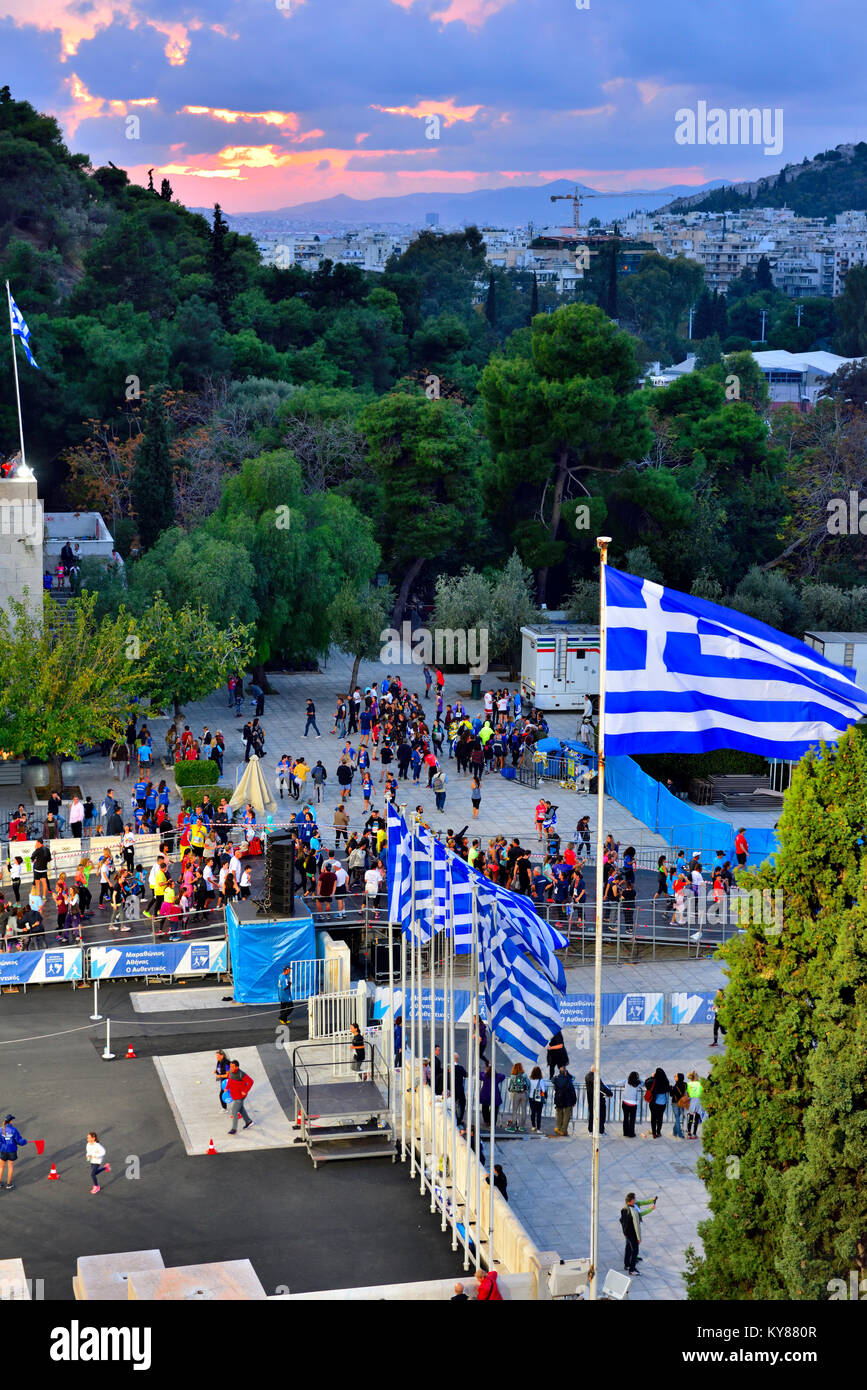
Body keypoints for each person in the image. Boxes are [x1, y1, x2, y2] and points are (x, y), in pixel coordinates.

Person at [620, 1192, 657, 1276]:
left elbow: (642, 1202)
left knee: (628, 1247)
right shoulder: (633, 1212)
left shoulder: (625, 1208)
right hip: (632, 1233)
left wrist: (652, 1200)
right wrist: (639, 1238)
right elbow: (637, 1223)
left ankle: (627, 1265)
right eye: (634, 1198)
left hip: (627, 1232)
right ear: (631, 1200)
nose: (636, 1200)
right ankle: (632, 1269)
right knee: (635, 1251)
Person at [225, 1060, 255, 1134]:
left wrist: (245, 1090)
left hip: (240, 1096)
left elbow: (251, 1081)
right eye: (230, 1066)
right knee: (241, 1109)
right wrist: (227, 1087)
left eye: (232, 1067)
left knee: (234, 1111)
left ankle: (234, 1129)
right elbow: (229, 1080)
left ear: (237, 1067)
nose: (230, 1068)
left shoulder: (242, 1074)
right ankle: (248, 1122)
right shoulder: (230, 1072)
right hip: (235, 1095)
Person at [0, 1114, 28, 1191]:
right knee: (10, 1167)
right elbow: (19, 1141)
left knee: (1, 1167)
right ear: (11, 1121)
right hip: (11, 1150)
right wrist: (25, 1142)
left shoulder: (0, 1129)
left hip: (3, 1150)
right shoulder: (14, 1130)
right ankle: (8, 1184)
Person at [585, 1064, 613, 1134]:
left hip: (592, 1099)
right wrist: (609, 1093)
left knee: (592, 1114)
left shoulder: (589, 1076)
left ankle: (592, 1130)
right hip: (597, 1099)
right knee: (601, 1115)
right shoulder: (593, 1077)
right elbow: (601, 1087)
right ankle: (599, 1130)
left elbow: (601, 1085)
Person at [552, 1065, 576, 1137]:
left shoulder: (556, 1079)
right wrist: (574, 1100)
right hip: (567, 1099)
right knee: (567, 1115)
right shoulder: (568, 1079)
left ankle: (558, 1127)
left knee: (559, 1113)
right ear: (565, 1072)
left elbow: (552, 1079)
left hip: (558, 1099)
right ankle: (563, 1130)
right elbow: (572, 1091)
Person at [646, 1066, 670, 1139]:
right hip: (662, 1103)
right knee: (660, 1118)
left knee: (653, 1118)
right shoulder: (666, 1081)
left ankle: (654, 1133)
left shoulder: (654, 1081)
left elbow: (646, 1083)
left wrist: (651, 1077)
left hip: (654, 1103)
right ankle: (658, 1132)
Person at [506, 1062, 529, 1132]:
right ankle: (522, 1127)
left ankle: (513, 1127)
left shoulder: (513, 1077)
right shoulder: (525, 1076)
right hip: (524, 1094)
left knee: (515, 1111)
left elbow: (509, 1088)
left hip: (516, 1094)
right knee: (524, 1111)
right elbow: (528, 1085)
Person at [621, 1070, 642, 1138]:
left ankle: (625, 1132)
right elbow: (643, 1083)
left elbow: (617, 1083)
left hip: (625, 1102)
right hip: (633, 1104)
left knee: (626, 1118)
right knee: (632, 1119)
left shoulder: (626, 1081)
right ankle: (631, 1133)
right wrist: (638, 1078)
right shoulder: (638, 1083)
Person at [527, 1066, 546, 1135]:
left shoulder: (530, 1079)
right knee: (538, 1113)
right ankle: (538, 1129)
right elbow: (543, 1090)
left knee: (533, 1112)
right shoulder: (541, 1080)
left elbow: (528, 1087)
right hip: (538, 1098)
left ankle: (533, 1126)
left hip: (531, 1097)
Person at [686, 1070, 704, 1139]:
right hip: (698, 1102)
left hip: (691, 1102)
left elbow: (688, 1094)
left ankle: (689, 1133)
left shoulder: (689, 1084)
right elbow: (702, 1093)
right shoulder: (700, 1084)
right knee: (696, 1118)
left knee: (690, 1118)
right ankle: (694, 1133)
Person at [671, 1072, 688, 1139]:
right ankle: (674, 1132)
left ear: (679, 1078)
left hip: (675, 1103)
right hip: (682, 1103)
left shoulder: (675, 1086)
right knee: (677, 1118)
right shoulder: (685, 1084)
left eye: (676, 1076)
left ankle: (680, 1134)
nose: (675, 1077)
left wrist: (670, 1089)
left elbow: (671, 1094)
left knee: (677, 1119)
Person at [452, 1053, 467, 1126]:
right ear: (457, 1059)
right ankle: (459, 1119)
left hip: (450, 1089)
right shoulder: (460, 1068)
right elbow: (466, 1074)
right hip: (459, 1089)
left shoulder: (449, 1067)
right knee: (461, 1104)